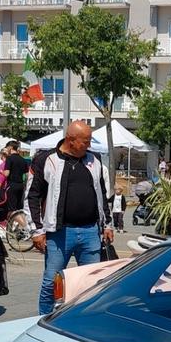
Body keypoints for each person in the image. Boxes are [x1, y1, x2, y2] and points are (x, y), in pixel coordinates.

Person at [27, 120, 113, 316]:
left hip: (91, 231)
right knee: (51, 282)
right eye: (85, 141)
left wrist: (108, 225)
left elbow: (102, 195)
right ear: (70, 140)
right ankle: (44, 319)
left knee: (91, 283)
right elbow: (31, 196)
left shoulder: (95, 160)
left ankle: (85, 321)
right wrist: (37, 230)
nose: (89, 145)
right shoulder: (45, 160)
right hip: (59, 234)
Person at [3, 140, 28, 214]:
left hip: (12, 185)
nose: (6, 149)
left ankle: (11, 224)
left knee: (11, 209)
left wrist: (2, 172)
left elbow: (6, 174)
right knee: (19, 208)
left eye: (7, 148)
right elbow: (27, 174)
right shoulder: (23, 160)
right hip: (21, 185)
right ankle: (20, 224)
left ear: (10, 148)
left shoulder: (9, 158)